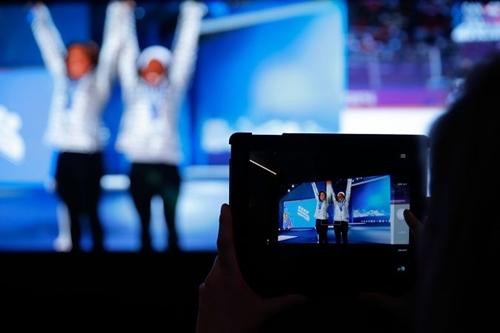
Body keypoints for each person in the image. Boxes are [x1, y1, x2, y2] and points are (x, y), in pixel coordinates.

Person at [197, 54, 500, 332]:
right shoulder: (325, 202)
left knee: (337, 238)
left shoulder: (337, 202)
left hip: (339, 232)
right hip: (329, 230)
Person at [29, 1, 125, 252]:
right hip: (64, 153)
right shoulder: (62, 81)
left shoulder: (99, 83)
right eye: (70, 58)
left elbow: (113, 48)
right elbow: (49, 46)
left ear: (90, 62)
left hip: (89, 154)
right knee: (69, 209)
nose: (74, 63)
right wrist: (39, 13)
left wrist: (119, 11)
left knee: (91, 211)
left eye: (80, 58)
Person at [115, 1, 207, 252]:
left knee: (171, 226)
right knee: (143, 227)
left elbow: (185, 51)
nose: (153, 72)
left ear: (167, 69)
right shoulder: (133, 92)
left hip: (168, 165)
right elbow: (126, 53)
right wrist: (124, 15)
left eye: (160, 67)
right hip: (139, 165)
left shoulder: (172, 91)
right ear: (141, 70)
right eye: (148, 67)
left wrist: (191, 13)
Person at [332, 178, 352, 244]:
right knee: (337, 239)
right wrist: (329, 186)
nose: (340, 197)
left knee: (345, 239)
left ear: (344, 197)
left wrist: (349, 180)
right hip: (336, 223)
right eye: (339, 196)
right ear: (337, 197)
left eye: (342, 196)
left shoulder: (346, 202)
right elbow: (332, 194)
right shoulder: (335, 203)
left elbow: (348, 191)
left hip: (344, 222)